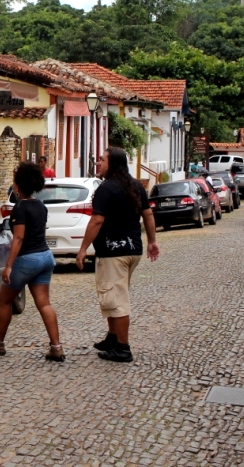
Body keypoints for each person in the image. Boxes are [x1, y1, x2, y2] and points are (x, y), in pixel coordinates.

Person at [75, 147, 160, 363]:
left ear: (112, 164)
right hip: (133, 250)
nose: (99, 164)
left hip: (113, 252)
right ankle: (112, 338)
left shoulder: (106, 189)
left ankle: (123, 347)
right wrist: (151, 241)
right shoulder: (135, 186)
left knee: (117, 299)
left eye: (102, 160)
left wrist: (83, 248)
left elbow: (96, 220)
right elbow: (148, 215)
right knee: (112, 295)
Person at [0, 162, 63, 361]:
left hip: (27, 259)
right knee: (44, 303)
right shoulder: (41, 206)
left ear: (18, 186)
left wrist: (8, 266)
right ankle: (56, 346)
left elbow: (19, 238)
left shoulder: (20, 209)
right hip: (45, 257)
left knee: (5, 300)